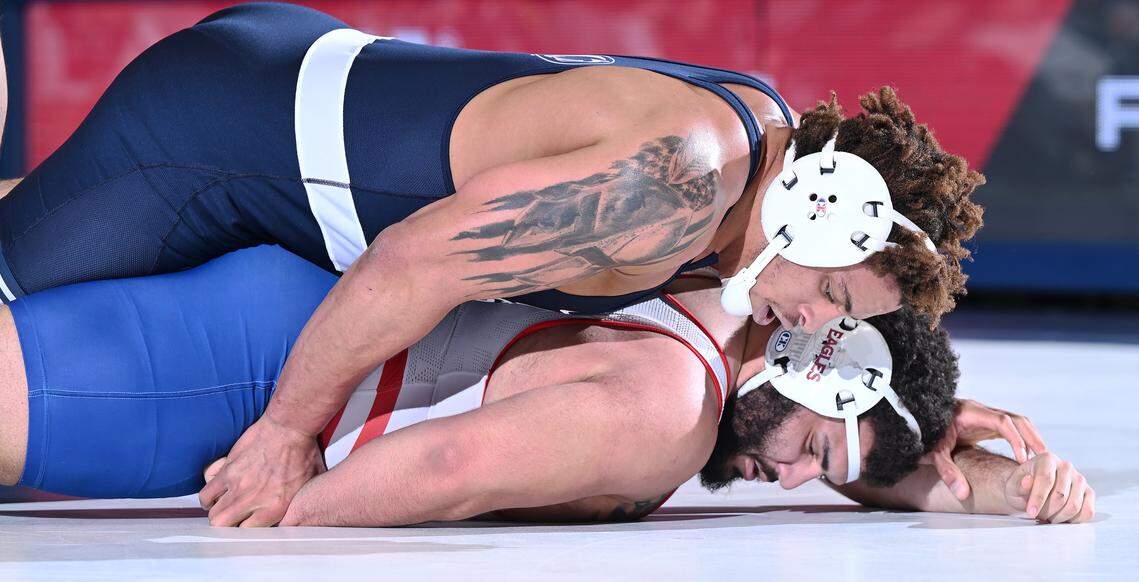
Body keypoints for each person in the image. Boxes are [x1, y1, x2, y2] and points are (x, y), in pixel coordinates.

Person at [0, 3, 985, 526]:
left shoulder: (758, 145)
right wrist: (287, 436)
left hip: (279, 95)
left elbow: (777, 402)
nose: (814, 322)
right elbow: (411, 262)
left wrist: (928, 428)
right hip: (207, 145)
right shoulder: (674, 190)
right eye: (831, 294)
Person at [0, 246, 1090, 526]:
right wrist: (269, 513)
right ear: (820, 363)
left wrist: (988, 480)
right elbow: (447, 463)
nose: (794, 483)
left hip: (269, 326)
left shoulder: (742, 311)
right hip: (213, 386)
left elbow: (804, 442)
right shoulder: (669, 412)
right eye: (821, 454)